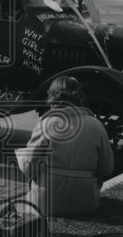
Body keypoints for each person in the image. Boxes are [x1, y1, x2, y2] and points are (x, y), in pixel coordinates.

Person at [15, 76, 113, 217]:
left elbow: (28, 167)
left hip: (45, 203)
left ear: (52, 98)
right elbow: (107, 169)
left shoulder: (46, 124)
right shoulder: (96, 125)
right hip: (86, 203)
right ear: (80, 98)